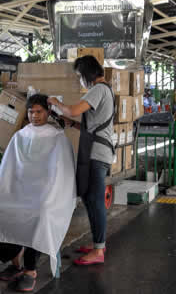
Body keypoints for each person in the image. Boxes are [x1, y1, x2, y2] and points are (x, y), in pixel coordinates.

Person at [0, 95, 76, 292]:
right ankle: (15, 260)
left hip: (46, 195)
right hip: (18, 192)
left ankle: (30, 270)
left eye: (39, 111)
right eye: (31, 112)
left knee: (40, 214)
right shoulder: (20, 136)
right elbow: (9, 171)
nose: (34, 116)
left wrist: (45, 194)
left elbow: (61, 175)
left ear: (48, 112)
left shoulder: (58, 137)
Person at [47, 55, 114, 266]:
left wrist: (56, 102)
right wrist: (71, 124)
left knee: (94, 200)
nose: (80, 81)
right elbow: (89, 126)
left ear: (87, 74)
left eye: (80, 76)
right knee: (88, 197)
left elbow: (74, 109)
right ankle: (98, 243)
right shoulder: (104, 90)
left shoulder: (99, 89)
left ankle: (99, 250)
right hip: (96, 150)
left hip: (97, 153)